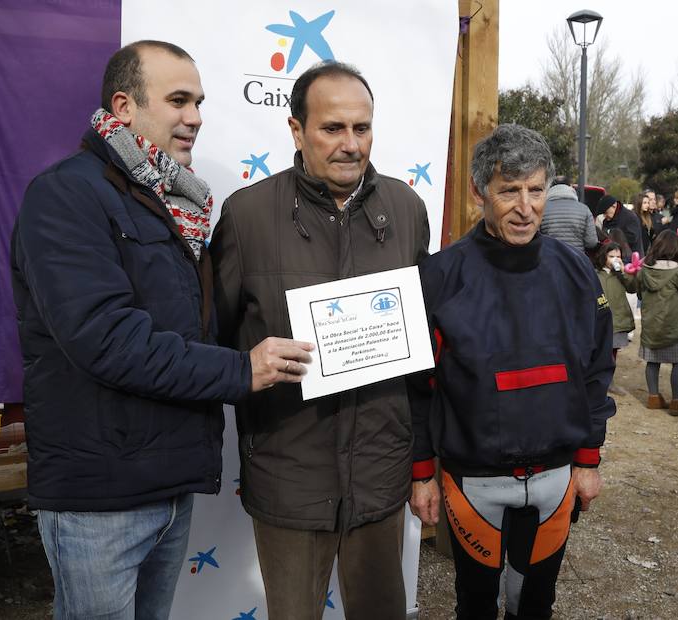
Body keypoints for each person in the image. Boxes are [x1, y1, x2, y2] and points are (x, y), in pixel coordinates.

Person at [10, 41, 314, 618]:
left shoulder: (173, 202)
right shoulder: (65, 196)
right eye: (178, 100)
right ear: (124, 106)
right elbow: (106, 339)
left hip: (167, 485)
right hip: (99, 499)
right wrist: (243, 368)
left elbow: (193, 326)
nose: (195, 117)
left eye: (198, 101)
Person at [211, 60, 429, 619]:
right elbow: (212, 342)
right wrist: (248, 366)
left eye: (362, 128)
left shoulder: (405, 210)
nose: (351, 144)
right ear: (296, 131)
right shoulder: (247, 216)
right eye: (333, 128)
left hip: (379, 477)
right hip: (290, 474)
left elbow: (421, 336)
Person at [408, 124, 615, 620]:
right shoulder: (439, 277)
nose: (526, 207)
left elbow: (596, 368)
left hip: (556, 477)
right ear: (481, 192)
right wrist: (421, 474)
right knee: (475, 605)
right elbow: (417, 387)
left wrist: (589, 459)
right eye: (509, 191)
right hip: (473, 480)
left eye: (536, 190)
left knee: (534, 604)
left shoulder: (577, 270)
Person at [637, 229, 678, 417]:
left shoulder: (645, 270)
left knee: (653, 361)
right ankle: (677, 401)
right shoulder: (677, 271)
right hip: (674, 325)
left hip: (652, 325)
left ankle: (653, 397)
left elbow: (639, 293)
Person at [596, 240, 637, 395]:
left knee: (612, 352)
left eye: (618, 256)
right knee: (600, 352)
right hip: (600, 318)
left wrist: (623, 272)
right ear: (603, 256)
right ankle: (598, 381)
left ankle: (610, 382)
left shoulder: (621, 275)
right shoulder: (596, 274)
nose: (615, 259)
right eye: (611, 256)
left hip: (617, 318)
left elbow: (632, 287)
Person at [540, 175, 599, 253]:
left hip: (550, 259)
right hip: (576, 260)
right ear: (570, 187)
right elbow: (591, 243)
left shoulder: (541, 209)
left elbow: (536, 239)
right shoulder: (584, 209)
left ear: (550, 187)